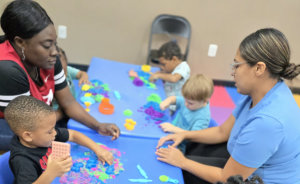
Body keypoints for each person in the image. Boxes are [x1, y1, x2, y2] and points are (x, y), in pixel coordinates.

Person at [156, 28, 300, 184]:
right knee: (188, 149)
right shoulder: (261, 91)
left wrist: (182, 162)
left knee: (180, 170)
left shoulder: (268, 122)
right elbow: (222, 131)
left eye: (237, 65)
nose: (233, 72)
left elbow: (227, 178)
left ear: (259, 68)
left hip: (252, 178)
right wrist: (185, 134)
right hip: (243, 163)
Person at [0, 0, 120, 150]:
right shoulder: (8, 70)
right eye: (46, 45)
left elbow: (68, 103)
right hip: (13, 126)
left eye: (54, 43)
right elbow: (31, 130)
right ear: (20, 43)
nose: (55, 51)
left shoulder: (50, 58)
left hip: (41, 119)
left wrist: (98, 125)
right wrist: (61, 113)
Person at [4, 96, 114, 184]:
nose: (55, 133)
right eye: (50, 131)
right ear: (28, 136)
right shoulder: (22, 161)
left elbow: (73, 135)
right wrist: (51, 173)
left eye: (53, 128)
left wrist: (98, 149)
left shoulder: (41, 136)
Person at [159, 74, 214, 152]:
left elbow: (193, 136)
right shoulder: (190, 100)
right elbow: (175, 99)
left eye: (190, 103)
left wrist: (173, 129)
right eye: (185, 100)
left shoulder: (203, 117)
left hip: (181, 146)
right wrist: (167, 101)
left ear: (205, 100)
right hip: (171, 132)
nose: (185, 104)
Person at [149, 41, 190, 112]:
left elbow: (174, 78)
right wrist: (161, 73)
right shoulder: (174, 67)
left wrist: (159, 75)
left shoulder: (184, 67)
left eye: (164, 64)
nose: (162, 67)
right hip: (167, 97)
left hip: (175, 104)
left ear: (174, 59)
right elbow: (170, 74)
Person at [53, 46, 90, 122]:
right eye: (56, 74)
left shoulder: (68, 69)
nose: (60, 76)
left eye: (63, 72)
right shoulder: (48, 84)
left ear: (66, 63)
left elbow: (82, 73)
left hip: (73, 103)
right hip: (58, 113)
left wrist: (83, 77)